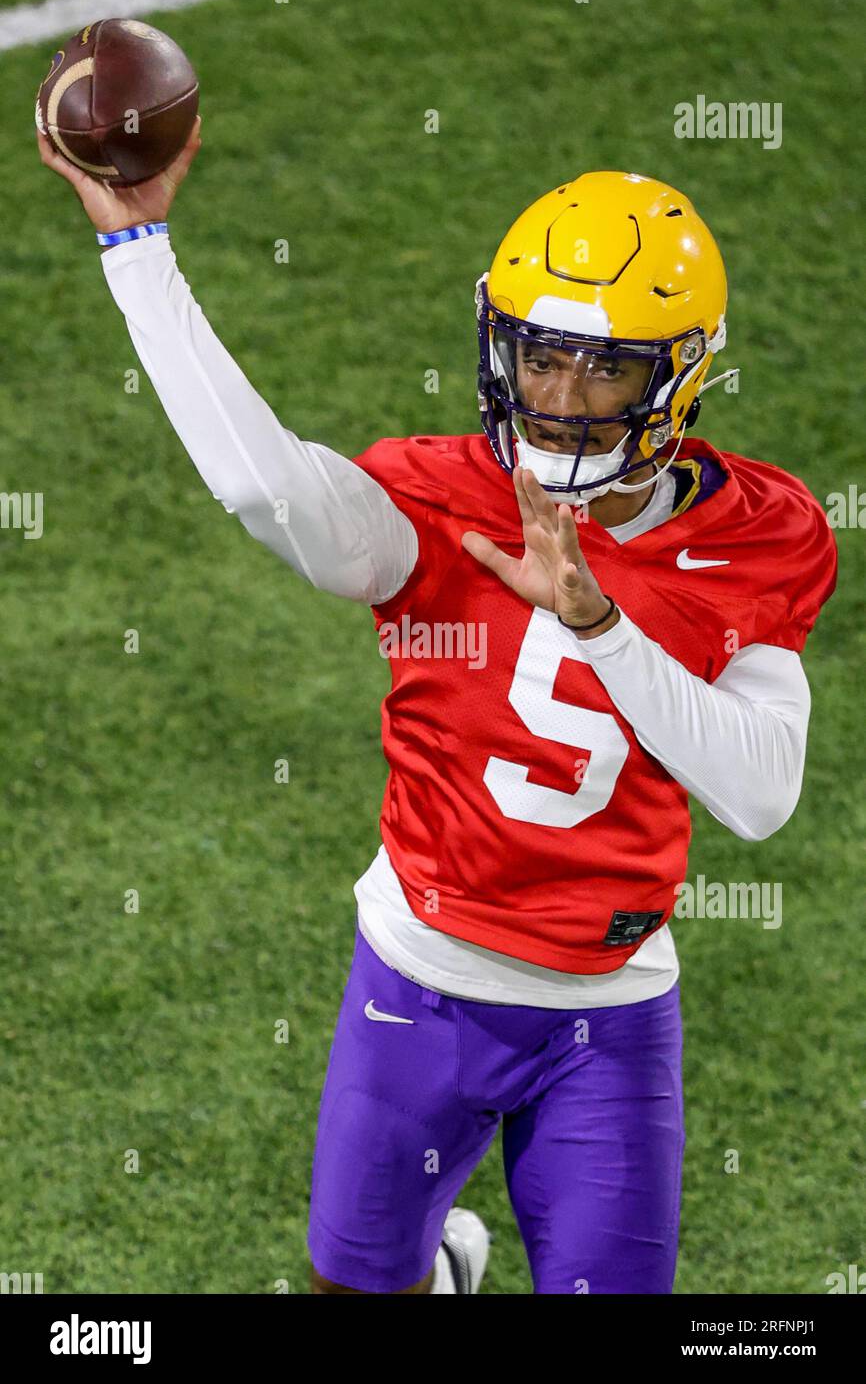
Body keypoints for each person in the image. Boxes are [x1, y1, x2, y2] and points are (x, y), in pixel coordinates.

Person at [38, 122, 837, 1295]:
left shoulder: (747, 534)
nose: (559, 399)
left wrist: (597, 625)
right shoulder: (433, 500)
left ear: (681, 372)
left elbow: (761, 797)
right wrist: (137, 243)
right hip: (416, 970)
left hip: (605, 1006)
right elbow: (264, 485)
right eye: (537, 356)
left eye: (603, 367)